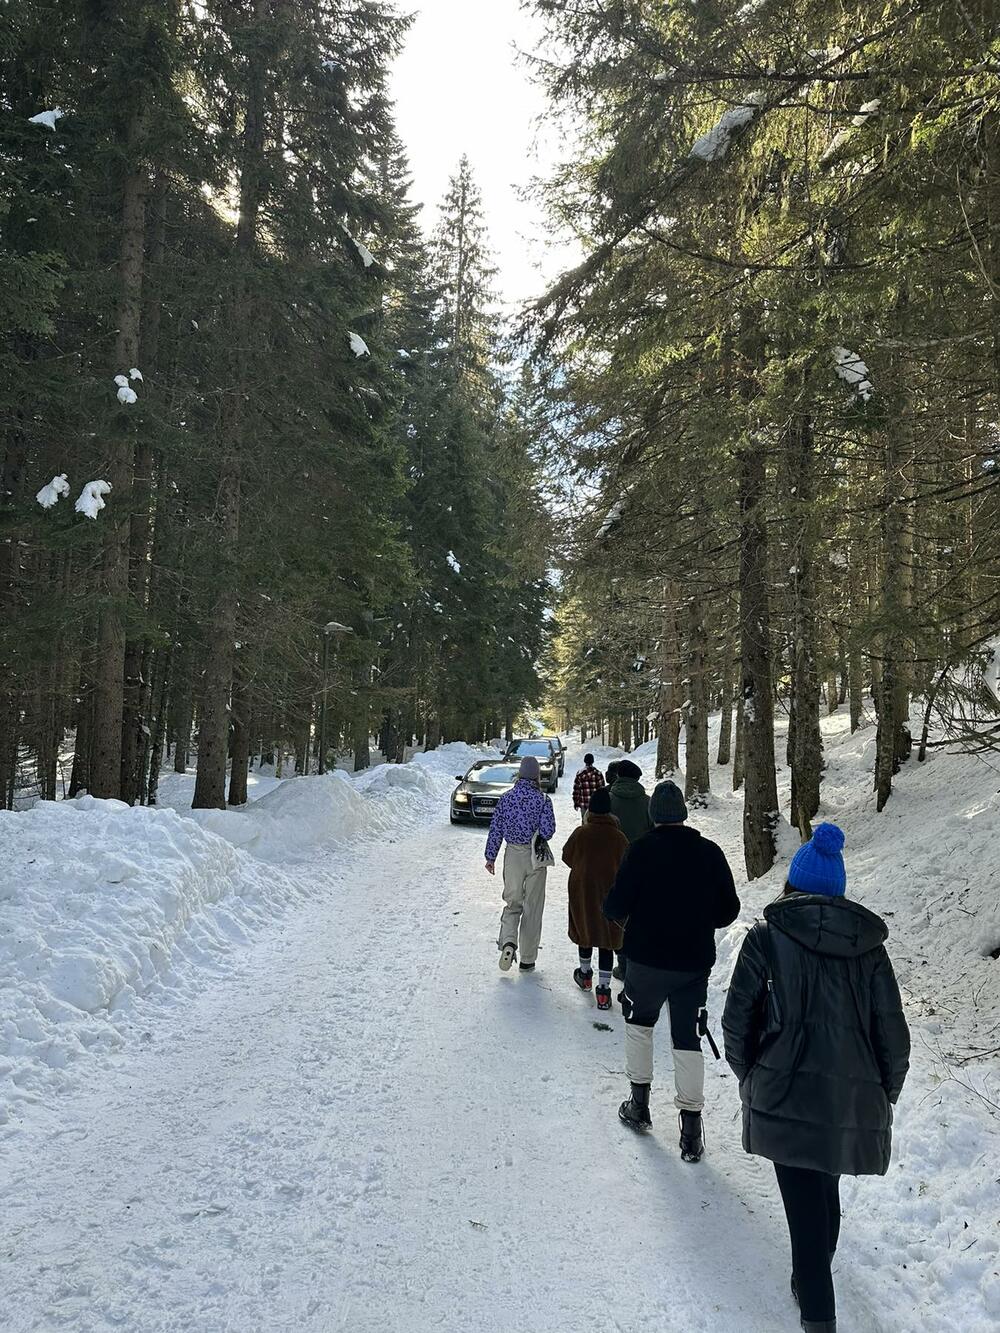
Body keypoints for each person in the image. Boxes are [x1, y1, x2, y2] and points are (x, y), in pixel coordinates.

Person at [722, 823, 909, 1333]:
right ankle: (811, 1281)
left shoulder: (767, 938)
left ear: (793, 883)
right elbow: (894, 1038)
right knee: (821, 1194)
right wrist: (879, 1096)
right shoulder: (869, 951)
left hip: (784, 1093)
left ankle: (817, 1315)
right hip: (847, 1102)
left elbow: (736, 1020)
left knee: (807, 1209)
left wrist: (753, 1076)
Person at [604, 780, 739, 1161]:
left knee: (639, 1027)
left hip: (645, 960)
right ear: (683, 813)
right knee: (687, 1038)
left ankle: (639, 1103)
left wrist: (626, 915)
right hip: (692, 963)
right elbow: (729, 910)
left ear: (653, 817)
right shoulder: (709, 853)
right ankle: (691, 1131)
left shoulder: (639, 851)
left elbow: (615, 906)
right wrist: (698, 919)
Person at [485, 755, 557, 974]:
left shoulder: (506, 799)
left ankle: (508, 942)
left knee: (512, 903)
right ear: (536, 775)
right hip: (535, 858)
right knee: (533, 908)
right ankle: (527, 959)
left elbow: (496, 829)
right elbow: (548, 831)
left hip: (512, 855)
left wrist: (490, 857)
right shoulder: (543, 800)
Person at [560, 786, 628, 1010]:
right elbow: (626, 866)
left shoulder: (582, 833)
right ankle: (604, 990)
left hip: (582, 890)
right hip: (611, 893)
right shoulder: (619, 837)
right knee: (606, 940)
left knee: (585, 932)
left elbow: (567, 856)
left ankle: (585, 974)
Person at [608, 759, 652, 844]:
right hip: (640, 852)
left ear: (618, 775)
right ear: (637, 778)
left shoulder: (607, 800)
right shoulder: (648, 802)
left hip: (614, 852)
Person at [572, 752, 606, 822]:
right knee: (595, 823)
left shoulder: (580, 774)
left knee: (585, 822)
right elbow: (602, 790)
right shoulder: (598, 773)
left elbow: (576, 790)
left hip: (584, 804)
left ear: (585, 761)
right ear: (593, 761)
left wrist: (576, 802)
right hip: (596, 805)